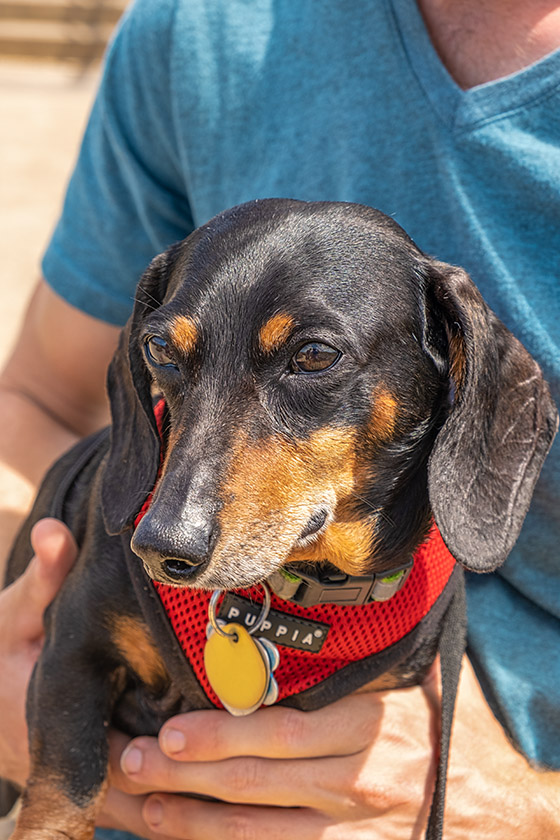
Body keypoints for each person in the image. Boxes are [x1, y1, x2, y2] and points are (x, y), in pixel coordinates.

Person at [1, 0, 559, 837]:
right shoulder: (204, 29)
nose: (175, 527)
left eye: (312, 362)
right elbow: (35, 401)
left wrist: (527, 804)